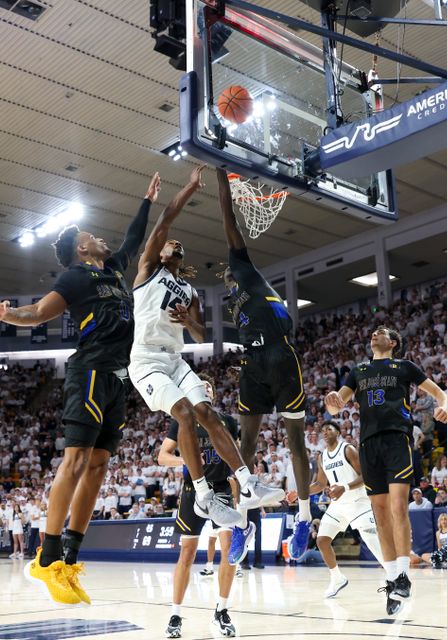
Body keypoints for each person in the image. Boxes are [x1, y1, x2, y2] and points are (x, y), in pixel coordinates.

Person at [0, 172, 161, 605]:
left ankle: (70, 560)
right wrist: (6, 315)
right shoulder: (76, 278)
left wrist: (146, 201)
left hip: (118, 377)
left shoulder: (114, 268)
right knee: (77, 460)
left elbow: (134, 239)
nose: (99, 237)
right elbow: (39, 313)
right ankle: (47, 557)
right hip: (90, 372)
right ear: (82, 249)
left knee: (98, 467)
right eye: (91, 235)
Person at [129, 164, 281, 537]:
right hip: (146, 360)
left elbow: (200, 336)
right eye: (170, 243)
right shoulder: (148, 268)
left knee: (206, 413)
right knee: (182, 413)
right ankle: (203, 496)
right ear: (161, 252)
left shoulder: (191, 292)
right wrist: (191, 187)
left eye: (179, 244)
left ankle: (248, 482)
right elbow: (165, 218)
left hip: (175, 359)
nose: (174, 243)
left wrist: (187, 320)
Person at [216, 168, 312, 561]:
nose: (226, 276)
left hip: (281, 355)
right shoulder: (232, 303)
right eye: (224, 277)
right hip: (254, 362)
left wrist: (221, 172)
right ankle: (242, 521)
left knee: (295, 443)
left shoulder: (245, 271)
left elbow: (228, 216)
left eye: (228, 271)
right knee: (245, 446)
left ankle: (304, 516)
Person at [325, 325, 447, 614]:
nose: (374, 334)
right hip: (368, 445)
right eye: (373, 332)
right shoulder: (358, 370)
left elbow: (438, 393)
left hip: (397, 440)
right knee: (379, 514)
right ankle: (392, 579)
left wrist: (445, 405)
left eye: (381, 331)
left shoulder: (404, 366)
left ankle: (404, 575)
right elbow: (337, 406)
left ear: (393, 342)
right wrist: (333, 402)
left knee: (397, 507)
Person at [158, 373, 238, 638]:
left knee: (229, 551)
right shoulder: (182, 421)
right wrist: (188, 461)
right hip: (193, 491)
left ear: (213, 394)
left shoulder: (227, 422)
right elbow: (162, 457)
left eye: (209, 386)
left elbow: (236, 456)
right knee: (187, 553)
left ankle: (222, 611)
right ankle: (175, 614)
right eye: (200, 386)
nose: (205, 389)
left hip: (222, 489)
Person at [308, 422, 385, 598]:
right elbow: (320, 484)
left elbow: (365, 475)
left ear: (338, 432)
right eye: (323, 430)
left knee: (372, 541)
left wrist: (345, 487)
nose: (325, 432)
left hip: (358, 501)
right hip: (338, 505)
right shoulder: (322, 457)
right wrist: (300, 492)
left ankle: (396, 577)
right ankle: (337, 578)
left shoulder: (348, 449)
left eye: (329, 429)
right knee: (322, 540)